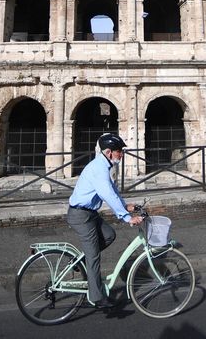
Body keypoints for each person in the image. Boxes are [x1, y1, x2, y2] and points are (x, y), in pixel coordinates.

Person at [67, 133, 143, 310]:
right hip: (80, 216)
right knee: (93, 257)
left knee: (109, 235)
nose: (121, 155)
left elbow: (112, 190)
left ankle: (79, 262)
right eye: (119, 152)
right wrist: (126, 217)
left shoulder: (104, 166)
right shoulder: (99, 169)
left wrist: (125, 205)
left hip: (90, 213)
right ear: (109, 152)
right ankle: (96, 298)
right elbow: (107, 194)